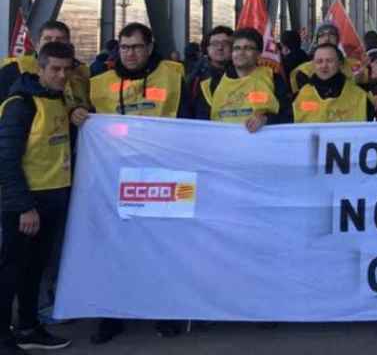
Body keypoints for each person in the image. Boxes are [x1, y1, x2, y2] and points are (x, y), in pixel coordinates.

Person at [72, 23, 188, 343]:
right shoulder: (99, 84)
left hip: (164, 176)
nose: (130, 53)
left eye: (136, 47)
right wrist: (79, 111)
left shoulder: (174, 75)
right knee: (115, 247)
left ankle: (165, 312)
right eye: (124, 47)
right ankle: (113, 313)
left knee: (164, 248)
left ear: (149, 47)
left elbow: (192, 120)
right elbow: (81, 115)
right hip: (115, 179)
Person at [0, 42, 76, 352]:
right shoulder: (20, 104)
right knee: (11, 270)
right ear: (40, 69)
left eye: (66, 69)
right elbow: (5, 159)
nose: (61, 75)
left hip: (53, 198)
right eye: (54, 69)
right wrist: (24, 206)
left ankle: (29, 326)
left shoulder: (59, 99)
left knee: (34, 269)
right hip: (26, 203)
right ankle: (3, 337)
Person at [194, 28, 291, 130]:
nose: (241, 52)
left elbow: (288, 116)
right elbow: (202, 124)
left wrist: (267, 119)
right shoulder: (212, 84)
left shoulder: (273, 79)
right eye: (237, 48)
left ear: (258, 54)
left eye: (248, 48)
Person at [0, 20, 90, 111]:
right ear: (37, 45)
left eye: (60, 39)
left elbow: (90, 105)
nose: (53, 43)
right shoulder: (14, 69)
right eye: (47, 39)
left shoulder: (83, 72)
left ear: (69, 45)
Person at [292, 44, 374, 123]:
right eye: (319, 61)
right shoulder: (300, 97)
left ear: (339, 64)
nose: (324, 65)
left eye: (329, 61)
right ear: (313, 64)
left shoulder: (359, 97)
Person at [290, 23, 362, 94]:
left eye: (331, 34)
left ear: (338, 40)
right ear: (316, 41)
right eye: (322, 35)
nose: (327, 38)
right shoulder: (304, 71)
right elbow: (304, 101)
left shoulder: (356, 66)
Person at [187, 26, 233, 116]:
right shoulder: (195, 77)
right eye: (215, 43)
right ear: (207, 48)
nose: (220, 47)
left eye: (225, 43)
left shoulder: (242, 75)